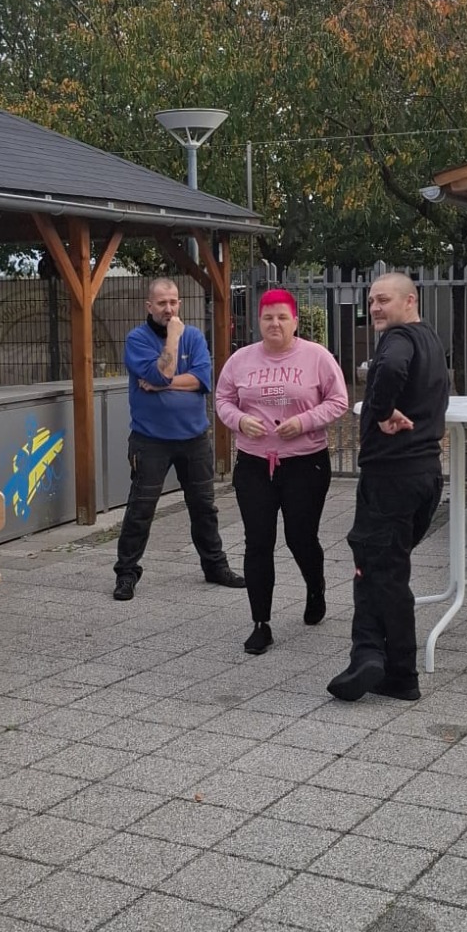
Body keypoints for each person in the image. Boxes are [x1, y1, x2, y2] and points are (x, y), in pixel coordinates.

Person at [328, 273, 449, 704]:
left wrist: (380, 411)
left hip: (392, 478)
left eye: (383, 299)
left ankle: (400, 672)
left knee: (385, 572)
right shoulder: (429, 339)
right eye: (371, 301)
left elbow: (393, 367)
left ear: (409, 300)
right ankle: (367, 655)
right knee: (377, 565)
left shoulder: (398, 339)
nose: (375, 308)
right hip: (423, 475)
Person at [215, 289, 349, 654]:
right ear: (258, 322)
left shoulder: (317, 357)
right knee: (258, 541)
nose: (275, 324)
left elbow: (338, 400)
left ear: (295, 321)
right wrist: (239, 420)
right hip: (254, 464)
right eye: (268, 317)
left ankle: (315, 587)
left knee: (300, 537)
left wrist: (305, 421)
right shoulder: (241, 360)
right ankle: (261, 623)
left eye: (282, 317)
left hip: (305, 462)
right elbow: (223, 399)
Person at [113, 277, 246, 601]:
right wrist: (172, 340)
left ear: (180, 303)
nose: (169, 309)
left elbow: (202, 379)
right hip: (150, 440)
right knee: (141, 509)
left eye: (173, 302)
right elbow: (161, 372)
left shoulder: (195, 336)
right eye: (162, 303)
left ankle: (215, 567)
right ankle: (126, 574)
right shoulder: (137, 339)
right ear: (149, 306)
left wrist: (163, 383)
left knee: (204, 507)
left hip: (194, 438)